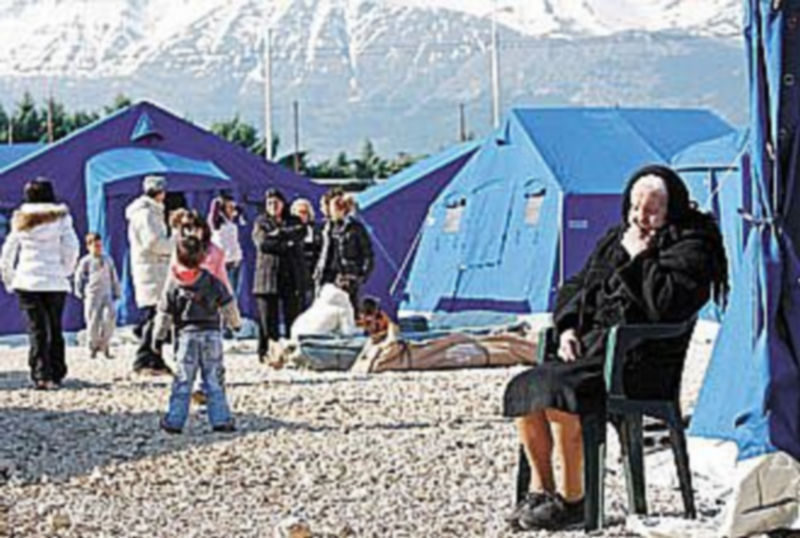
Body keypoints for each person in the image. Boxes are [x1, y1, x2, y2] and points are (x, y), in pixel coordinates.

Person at [502, 165, 729, 531]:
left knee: (561, 392)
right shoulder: (616, 239)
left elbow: (667, 305)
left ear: (672, 208)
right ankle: (542, 493)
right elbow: (577, 286)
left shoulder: (693, 244)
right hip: (594, 352)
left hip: (641, 360)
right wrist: (567, 329)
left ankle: (575, 500)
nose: (641, 216)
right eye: (634, 207)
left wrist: (640, 259)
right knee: (527, 385)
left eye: (652, 210)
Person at [154, 235, 241, 434]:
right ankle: (221, 419)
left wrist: (158, 338)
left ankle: (174, 421)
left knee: (183, 379)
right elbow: (228, 303)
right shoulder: (211, 281)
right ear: (202, 257)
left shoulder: (174, 284)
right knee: (214, 379)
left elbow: (164, 313)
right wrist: (235, 324)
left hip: (186, 336)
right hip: (211, 334)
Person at [0, 179, 79, 389]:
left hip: (27, 280)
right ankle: (57, 371)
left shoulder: (20, 218)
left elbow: (8, 251)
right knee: (55, 326)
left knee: (36, 329)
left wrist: (10, 278)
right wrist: (66, 271)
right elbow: (72, 247)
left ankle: (40, 374)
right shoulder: (62, 218)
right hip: (55, 281)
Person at [251, 188, 309, 362]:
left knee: (294, 318)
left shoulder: (294, 220)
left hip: (290, 277)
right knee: (268, 320)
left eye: (276, 202)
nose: (273, 206)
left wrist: (279, 234)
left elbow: (300, 233)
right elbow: (263, 244)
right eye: (269, 203)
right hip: (267, 277)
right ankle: (268, 353)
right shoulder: (261, 222)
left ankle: (292, 353)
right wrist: (286, 243)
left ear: (283, 204)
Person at [126, 174, 173, 375]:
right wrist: (175, 245)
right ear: (161, 193)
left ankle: (156, 358)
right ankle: (144, 358)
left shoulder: (149, 212)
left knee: (158, 315)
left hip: (153, 269)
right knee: (155, 316)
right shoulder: (146, 214)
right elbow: (154, 243)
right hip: (152, 270)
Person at [314, 190, 374, 312]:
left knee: (348, 309)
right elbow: (322, 253)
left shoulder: (356, 227)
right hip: (327, 275)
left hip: (348, 276)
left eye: (338, 206)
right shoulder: (325, 228)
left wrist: (361, 276)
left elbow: (368, 254)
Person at [75, 233, 121, 359]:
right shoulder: (86, 261)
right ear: (89, 246)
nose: (98, 248)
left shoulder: (107, 259)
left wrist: (117, 290)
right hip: (92, 294)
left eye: (100, 245)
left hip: (106, 294)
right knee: (93, 321)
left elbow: (114, 277)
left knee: (109, 317)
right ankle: (92, 347)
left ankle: (105, 345)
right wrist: (79, 290)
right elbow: (79, 277)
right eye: (95, 246)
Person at [208, 193, 245, 296]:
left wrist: (237, 209)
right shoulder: (217, 222)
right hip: (224, 262)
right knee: (225, 294)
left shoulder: (232, 222)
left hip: (235, 260)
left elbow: (242, 215)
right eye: (229, 207)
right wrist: (218, 202)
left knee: (234, 293)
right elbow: (213, 214)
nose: (232, 209)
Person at [290, 198, 322, 308]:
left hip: (312, 275)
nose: (302, 216)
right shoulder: (288, 231)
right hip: (295, 276)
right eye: (299, 212)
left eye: (305, 212)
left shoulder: (316, 231)